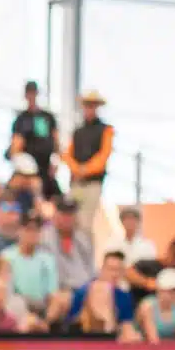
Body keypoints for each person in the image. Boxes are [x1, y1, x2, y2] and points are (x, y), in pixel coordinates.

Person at [63, 89, 113, 240]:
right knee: (70, 219)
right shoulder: (78, 131)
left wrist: (86, 169)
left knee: (85, 224)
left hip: (93, 183)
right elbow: (67, 155)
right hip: (76, 182)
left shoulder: (106, 130)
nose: (89, 109)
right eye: (87, 105)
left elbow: (103, 156)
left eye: (92, 105)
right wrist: (76, 169)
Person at [10, 80, 59, 190]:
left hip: (47, 170)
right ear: (25, 95)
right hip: (28, 172)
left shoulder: (47, 117)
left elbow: (56, 141)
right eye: (29, 93)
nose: (31, 96)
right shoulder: (21, 119)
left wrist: (56, 159)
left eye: (33, 92)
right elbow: (15, 146)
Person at [139, 267, 175, 342]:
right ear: (159, 290)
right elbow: (152, 339)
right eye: (170, 291)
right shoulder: (147, 305)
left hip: (170, 347)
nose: (173, 295)